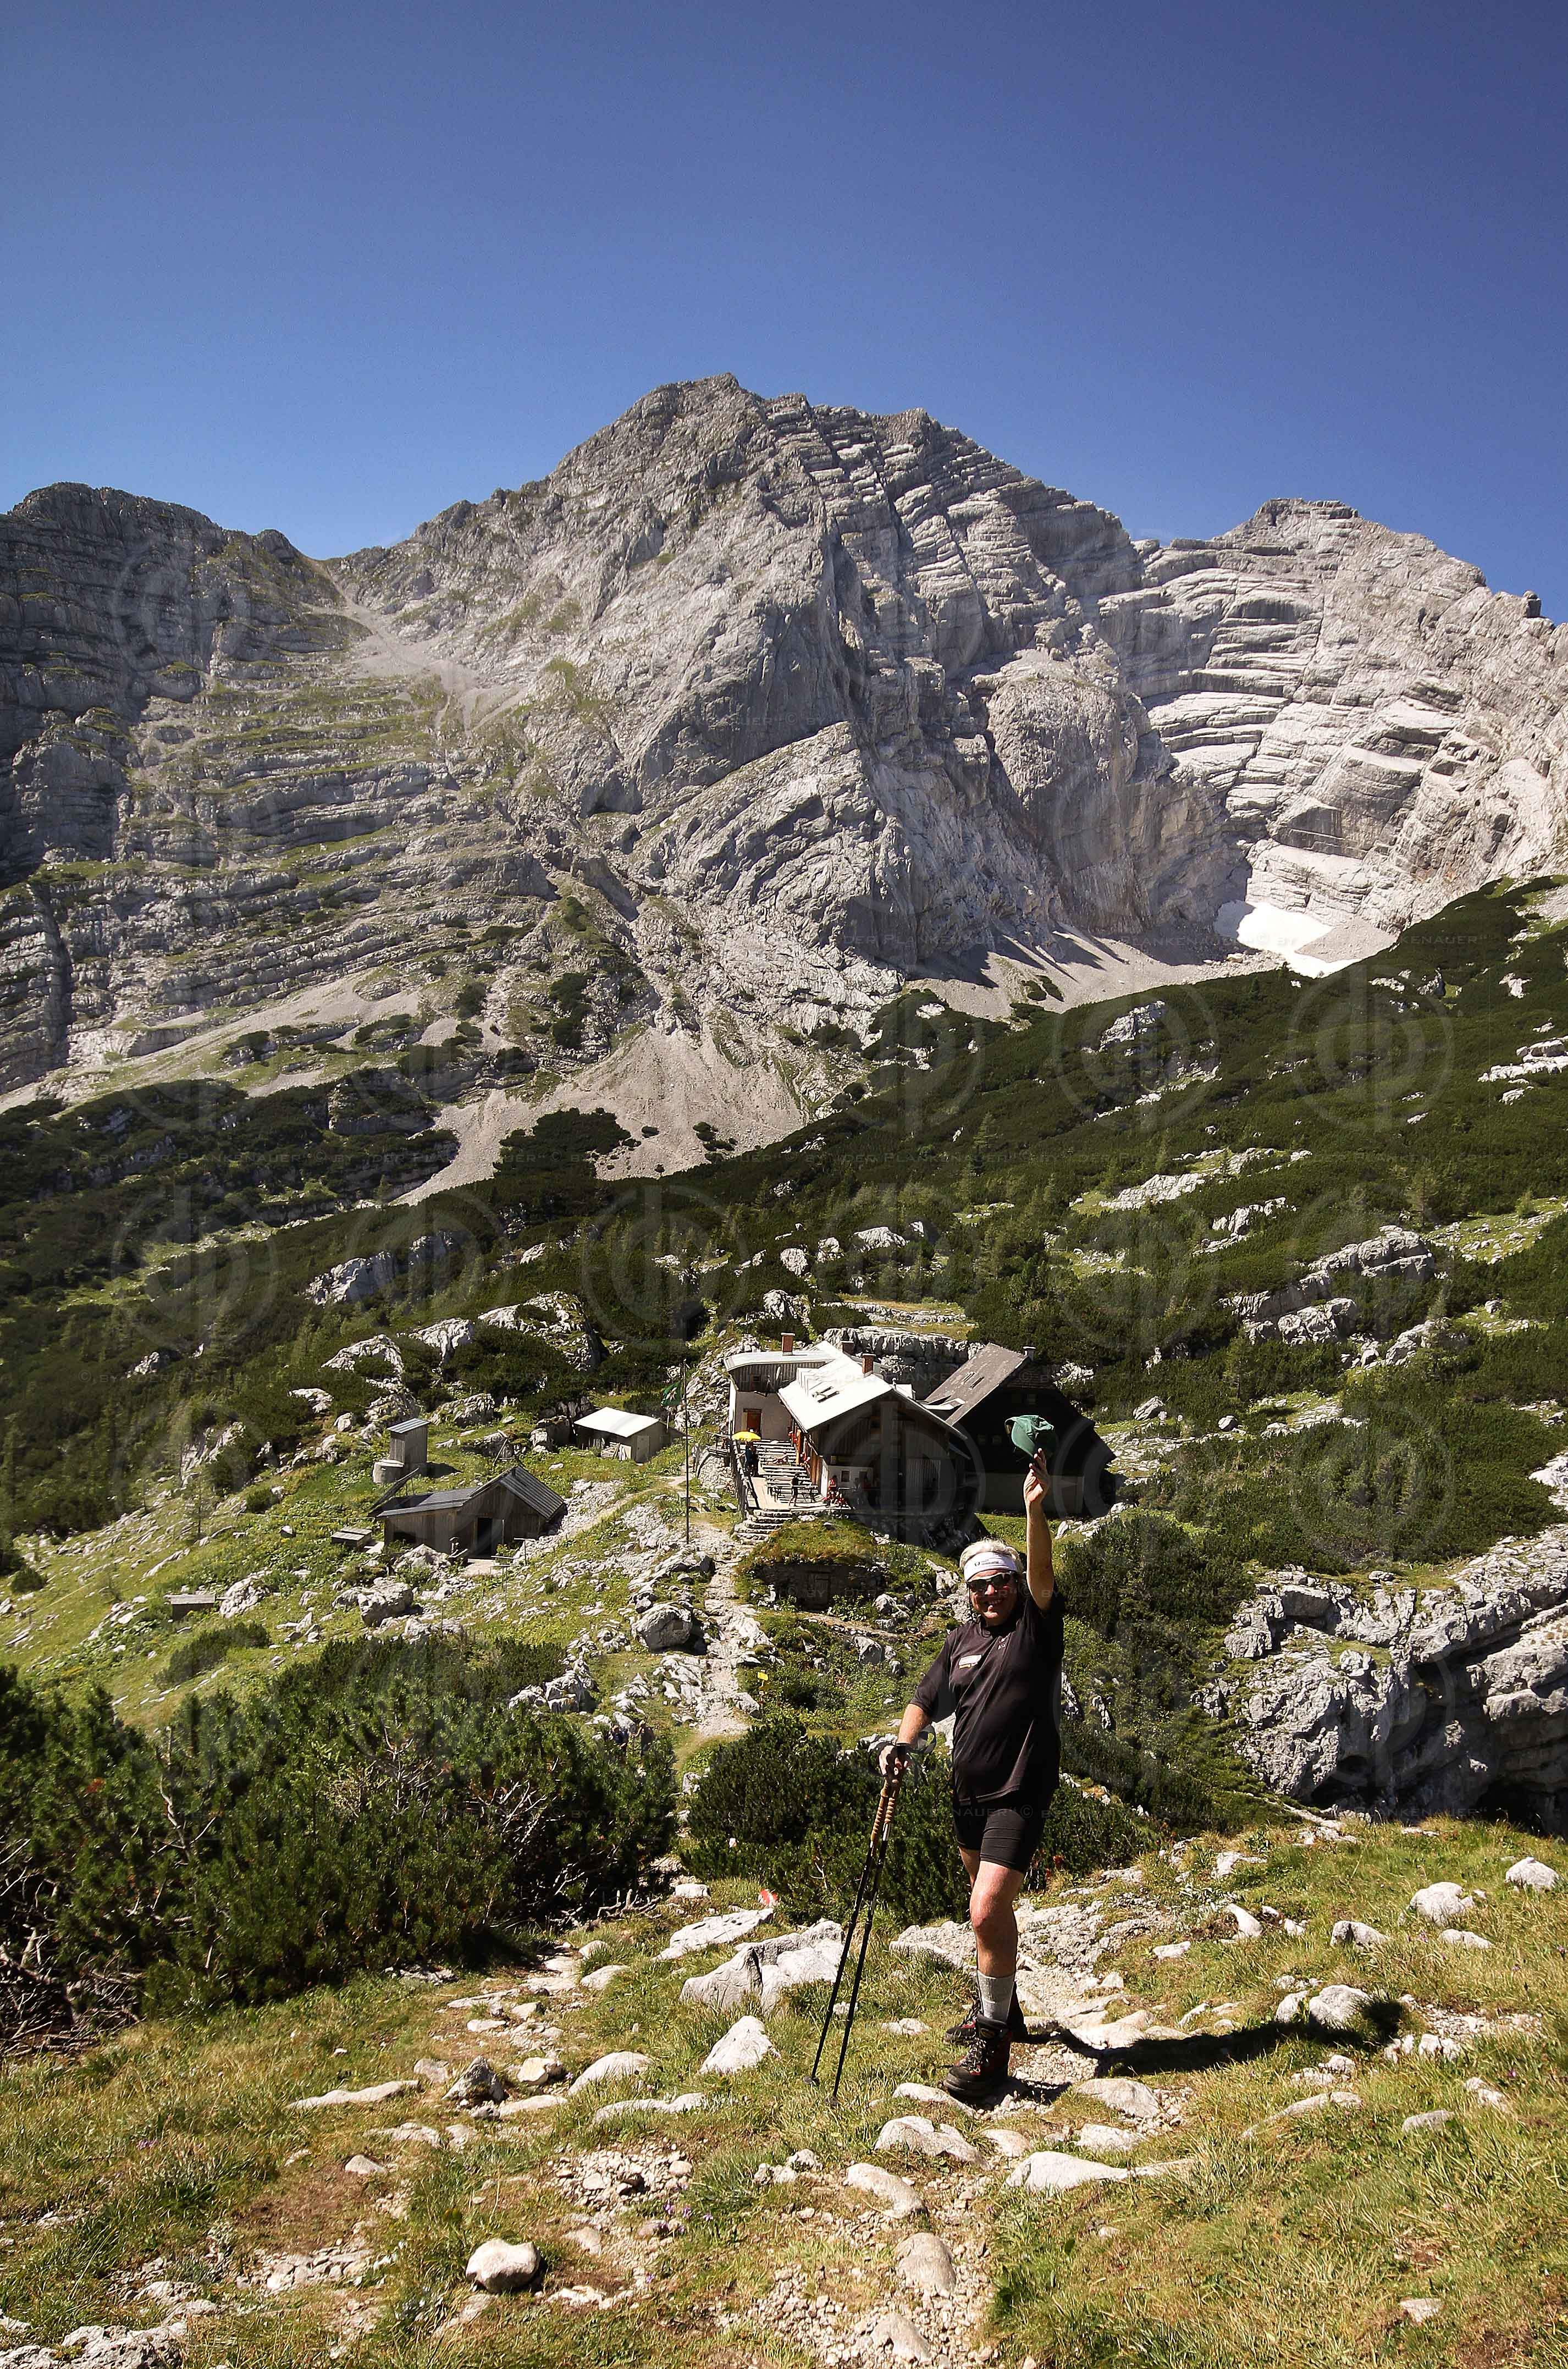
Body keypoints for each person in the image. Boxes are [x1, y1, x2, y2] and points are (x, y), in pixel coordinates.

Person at [881, 1452, 1062, 2105]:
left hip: (1020, 1789)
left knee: (984, 1908)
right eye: (978, 1585)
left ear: (1013, 1583)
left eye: (999, 1582)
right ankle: (1006, 2007)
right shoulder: (959, 1640)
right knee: (991, 1914)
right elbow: (925, 1697)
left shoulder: (1035, 1629)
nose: (990, 1593)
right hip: (966, 1797)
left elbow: (1043, 1577)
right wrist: (903, 1744)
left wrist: (1034, 1509)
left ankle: (992, 2044)